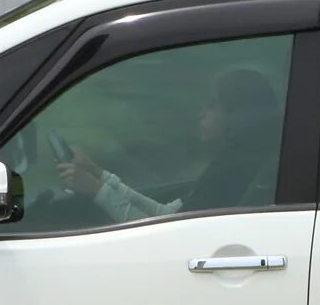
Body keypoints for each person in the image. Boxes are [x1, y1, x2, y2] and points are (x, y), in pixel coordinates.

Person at [56, 65, 281, 222]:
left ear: (237, 114)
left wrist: (96, 190)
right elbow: (168, 214)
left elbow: (167, 234)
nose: (201, 114)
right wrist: (99, 174)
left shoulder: (234, 172)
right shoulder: (230, 163)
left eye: (212, 106)